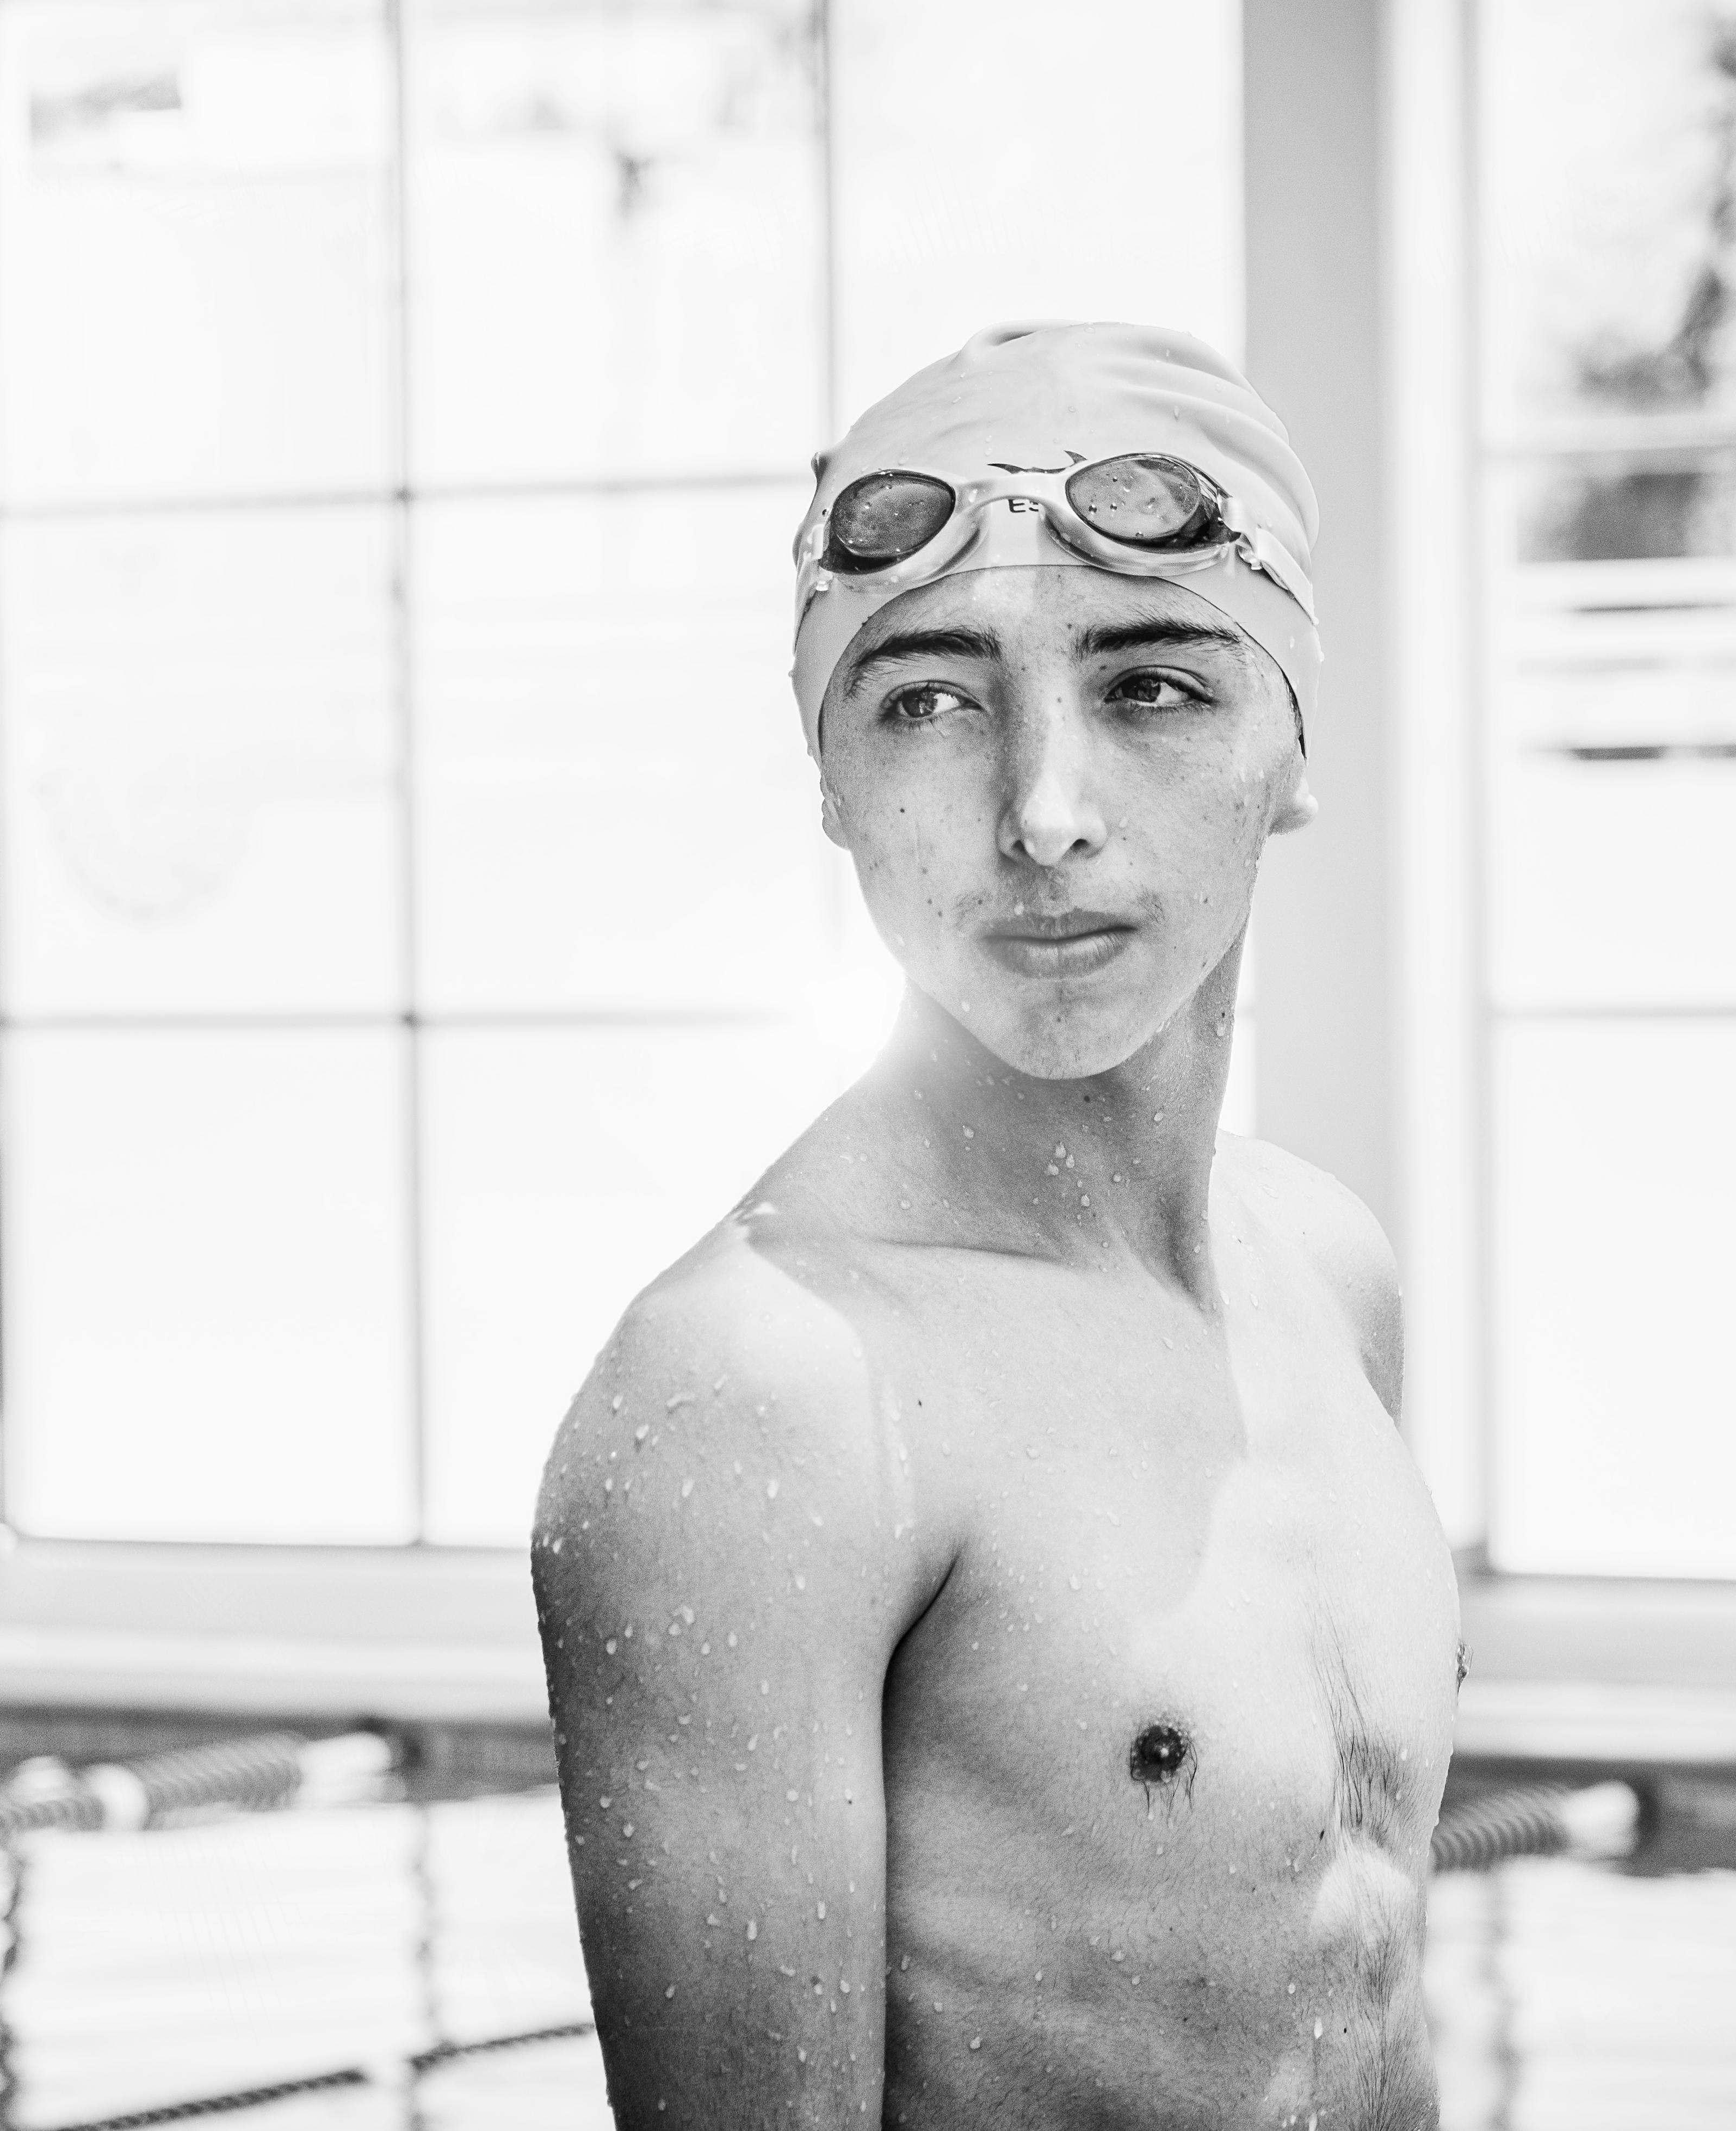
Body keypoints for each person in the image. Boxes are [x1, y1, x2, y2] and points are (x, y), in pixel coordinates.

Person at [532, 322, 1461, 2129]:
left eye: (1153, 687)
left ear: (1291, 745)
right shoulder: (762, 1393)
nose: (1042, 813)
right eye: (932, 700)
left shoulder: (1324, 1270)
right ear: (830, 780)